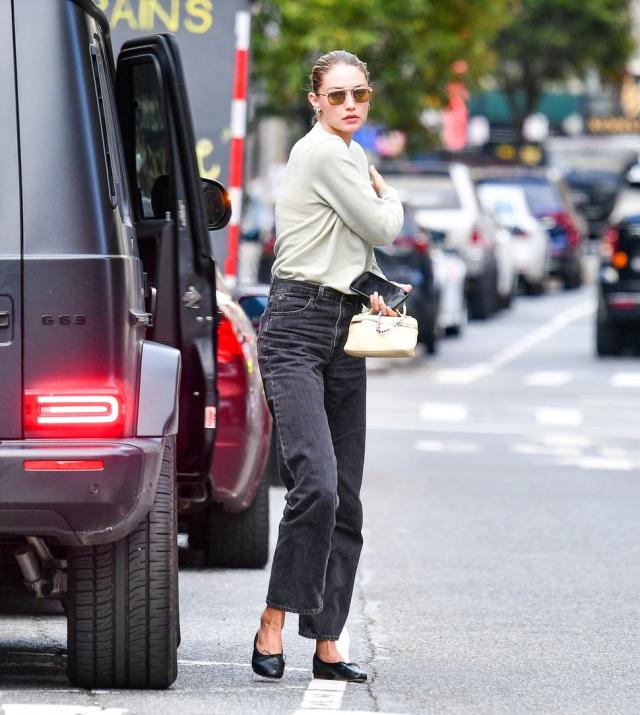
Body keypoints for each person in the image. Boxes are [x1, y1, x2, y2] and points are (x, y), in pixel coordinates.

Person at [252, 50, 408, 683]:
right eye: (338, 95)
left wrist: (366, 287)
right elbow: (383, 224)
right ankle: (273, 617)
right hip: (294, 329)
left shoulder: (348, 154)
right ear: (314, 99)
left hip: (343, 326)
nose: (351, 105)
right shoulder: (322, 152)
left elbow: (345, 246)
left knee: (345, 497)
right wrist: (387, 192)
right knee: (314, 481)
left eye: (360, 95)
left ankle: (328, 642)